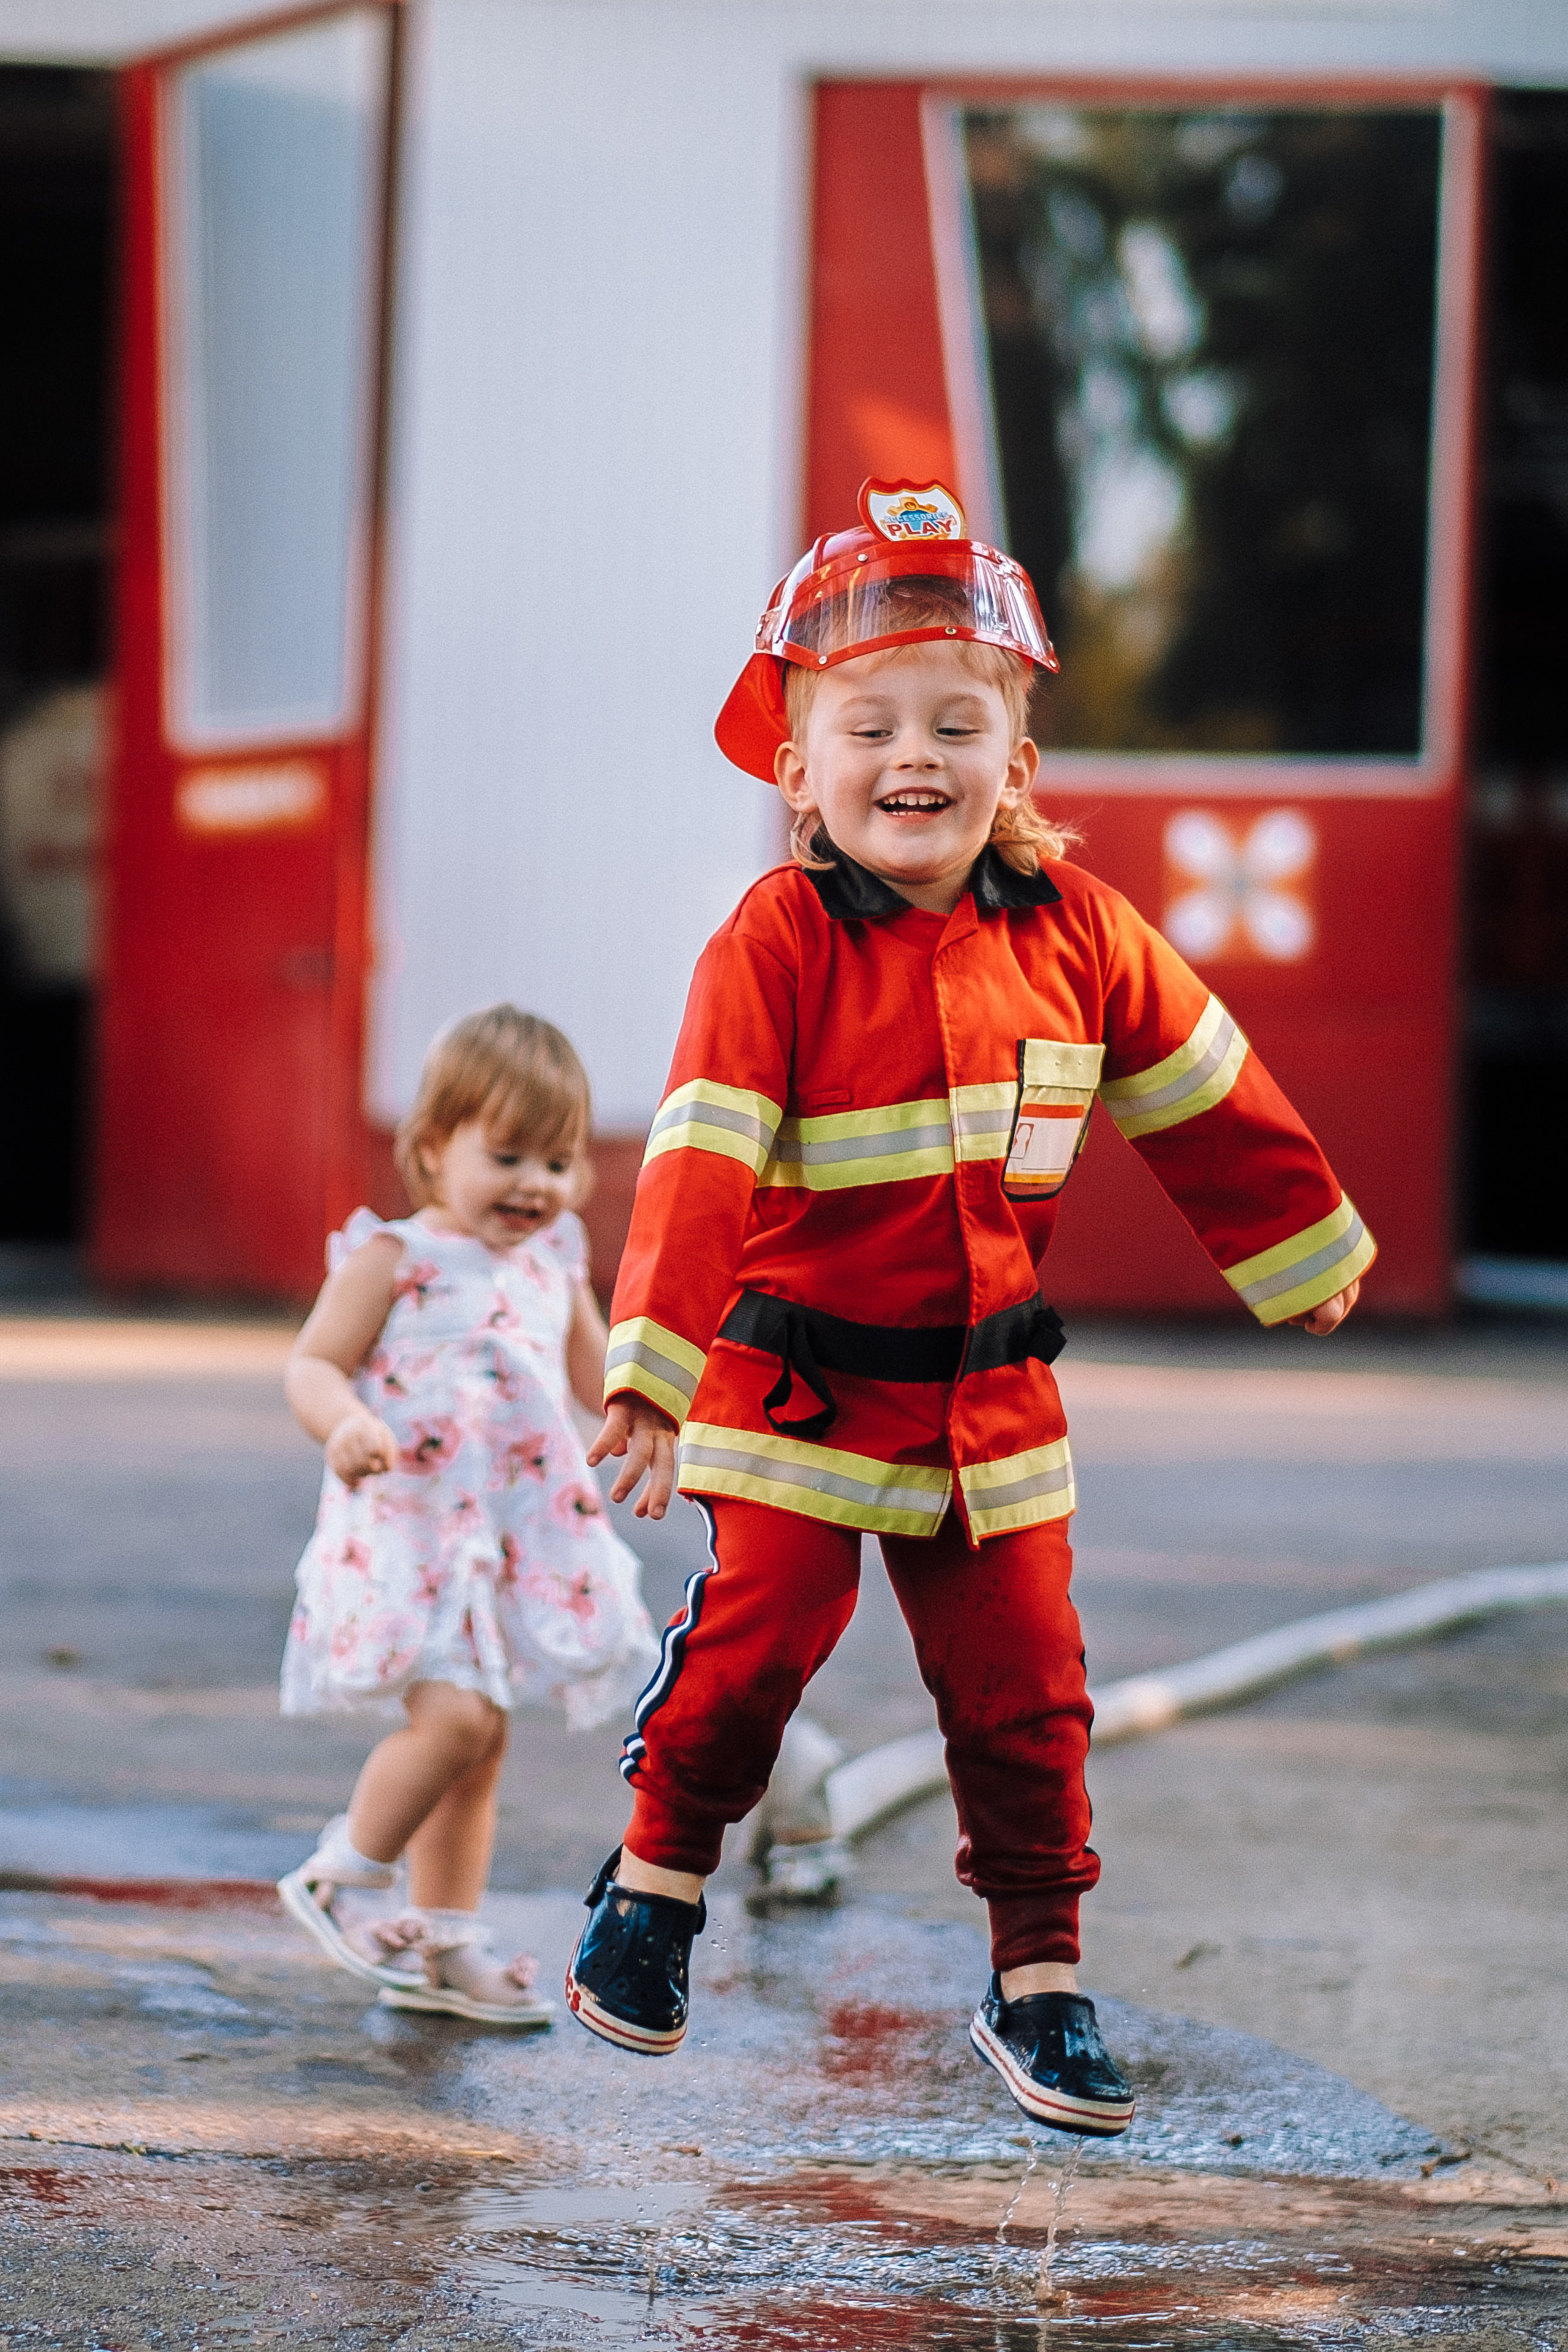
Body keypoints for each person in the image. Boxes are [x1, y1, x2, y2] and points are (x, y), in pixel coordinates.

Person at [565, 479, 1373, 2132]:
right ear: (797, 768)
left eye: (957, 719)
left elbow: (1206, 1090)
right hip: (793, 1393)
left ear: (1018, 755)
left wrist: (1305, 1248)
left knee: (1028, 1700)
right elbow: (702, 1158)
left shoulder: (1081, 934)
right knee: (753, 1655)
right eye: (868, 726)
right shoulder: (771, 947)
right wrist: (650, 1372)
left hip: (993, 1414)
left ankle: (1042, 1983)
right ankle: (651, 1889)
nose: (913, 755)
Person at [276, 1005, 658, 2027]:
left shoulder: (555, 1261)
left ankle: (442, 1938)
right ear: (435, 1147)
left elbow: (600, 1371)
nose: (537, 1184)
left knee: (484, 1744)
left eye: (560, 1160)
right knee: (451, 1721)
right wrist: (346, 1420)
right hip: (408, 1530)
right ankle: (343, 1874)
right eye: (509, 1155)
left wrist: (671, 1401)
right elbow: (313, 1362)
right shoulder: (393, 1257)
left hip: (503, 1541)